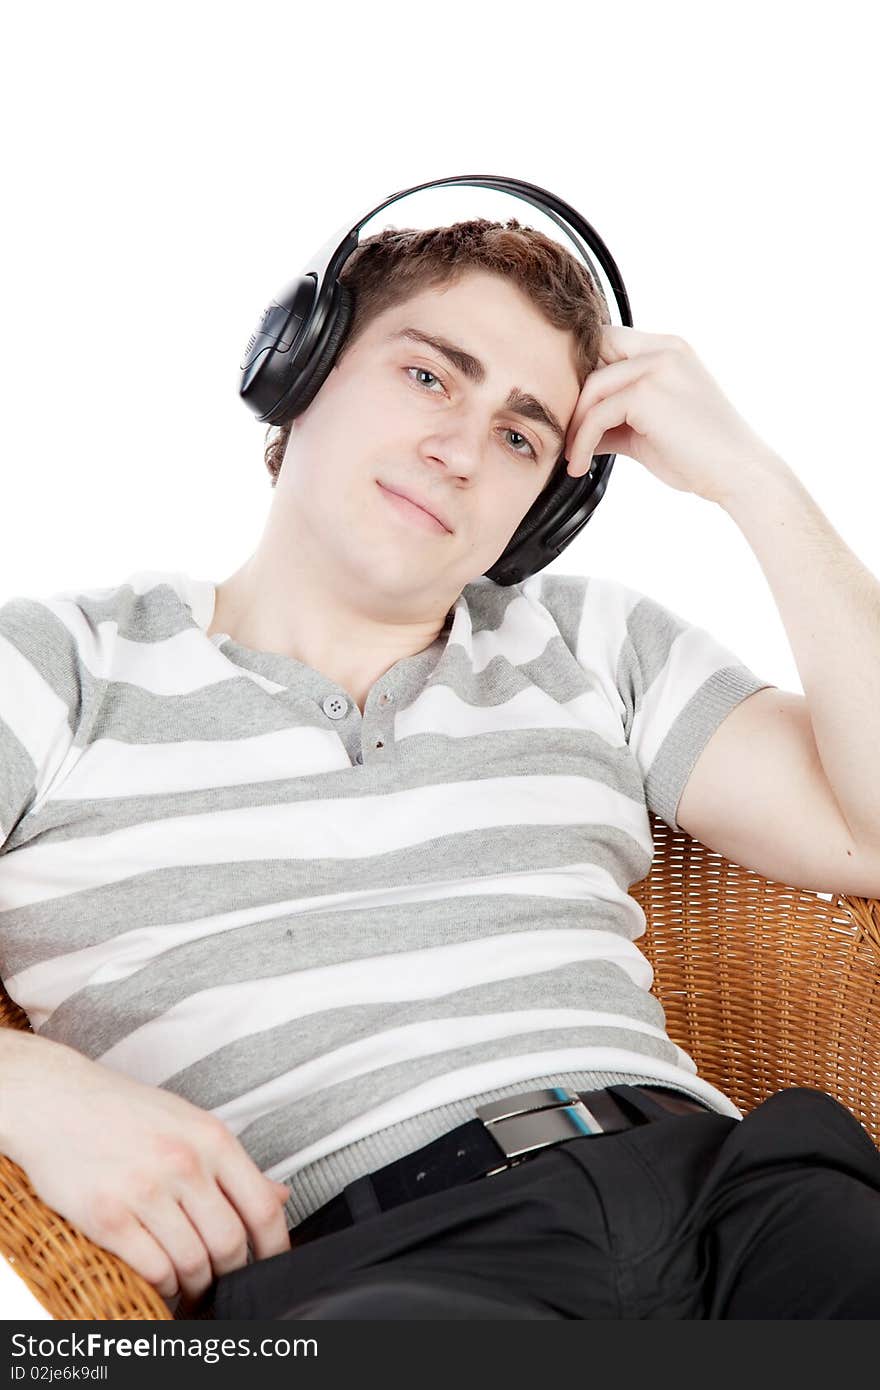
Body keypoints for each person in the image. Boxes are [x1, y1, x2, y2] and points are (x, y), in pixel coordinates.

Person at [1, 216, 879, 1322]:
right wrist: (22, 1087)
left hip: (742, 1201)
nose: (461, 450)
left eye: (522, 436)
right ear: (298, 371)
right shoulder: (56, 667)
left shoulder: (590, 643)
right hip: (380, 1265)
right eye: (427, 375)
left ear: (546, 509)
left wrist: (753, 481)